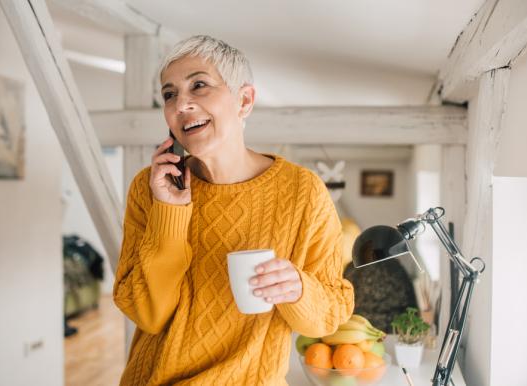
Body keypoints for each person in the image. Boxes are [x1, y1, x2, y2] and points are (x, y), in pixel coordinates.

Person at [112, 35, 355, 385]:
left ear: (244, 100)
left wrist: (298, 289)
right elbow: (146, 314)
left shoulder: (303, 192)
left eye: (199, 85)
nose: (182, 104)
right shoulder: (150, 187)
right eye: (169, 94)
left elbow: (330, 314)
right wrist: (168, 213)